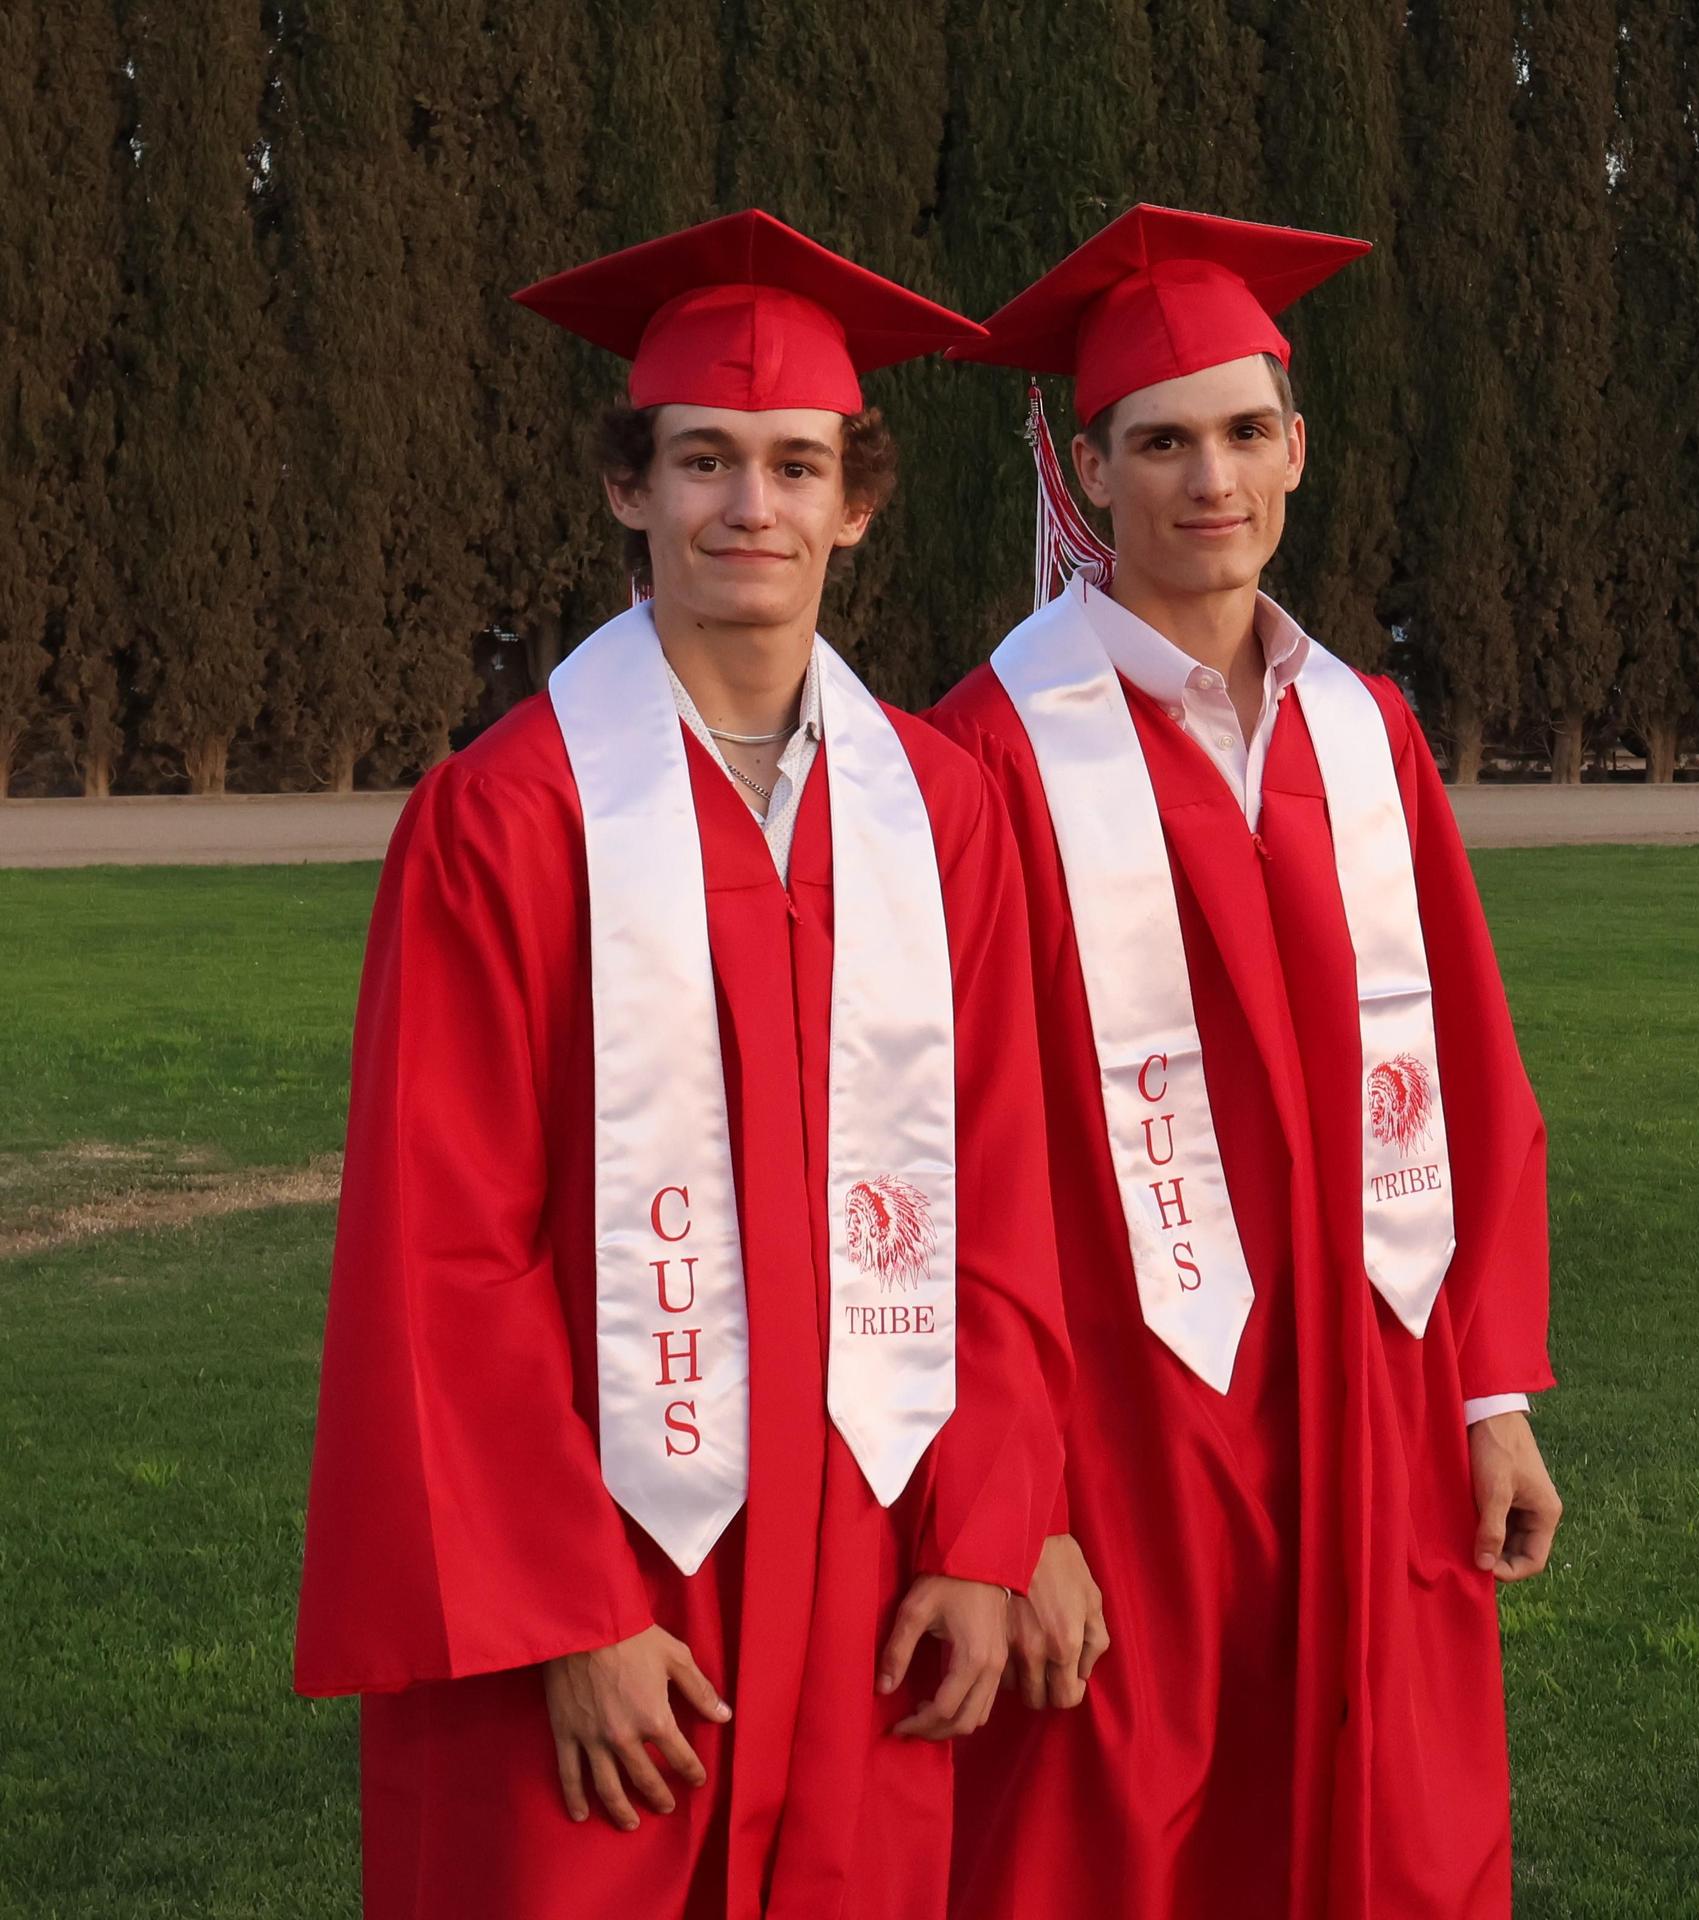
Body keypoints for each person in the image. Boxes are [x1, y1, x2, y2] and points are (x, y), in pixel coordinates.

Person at [294, 210, 1072, 1920]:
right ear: (626, 489)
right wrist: (559, 1614)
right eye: (702, 459)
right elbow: (443, 1255)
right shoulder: (508, 820)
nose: (749, 506)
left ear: (855, 504)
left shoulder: (940, 815)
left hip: (866, 1559)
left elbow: (1001, 1194)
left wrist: (984, 1532)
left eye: (795, 465)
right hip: (606, 1573)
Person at [928, 205, 1561, 1920]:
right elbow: (942, 1156)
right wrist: (1013, 1506)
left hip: (1375, 1396)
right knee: (1124, 1840)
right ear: (1088, 468)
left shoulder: (1367, 735)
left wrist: (1488, 1392)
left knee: (1392, 1833)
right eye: (1161, 440)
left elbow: (1472, 1071)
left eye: (1243, 431)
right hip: (1129, 1431)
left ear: (1298, 448)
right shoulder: (988, 755)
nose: (1210, 478)